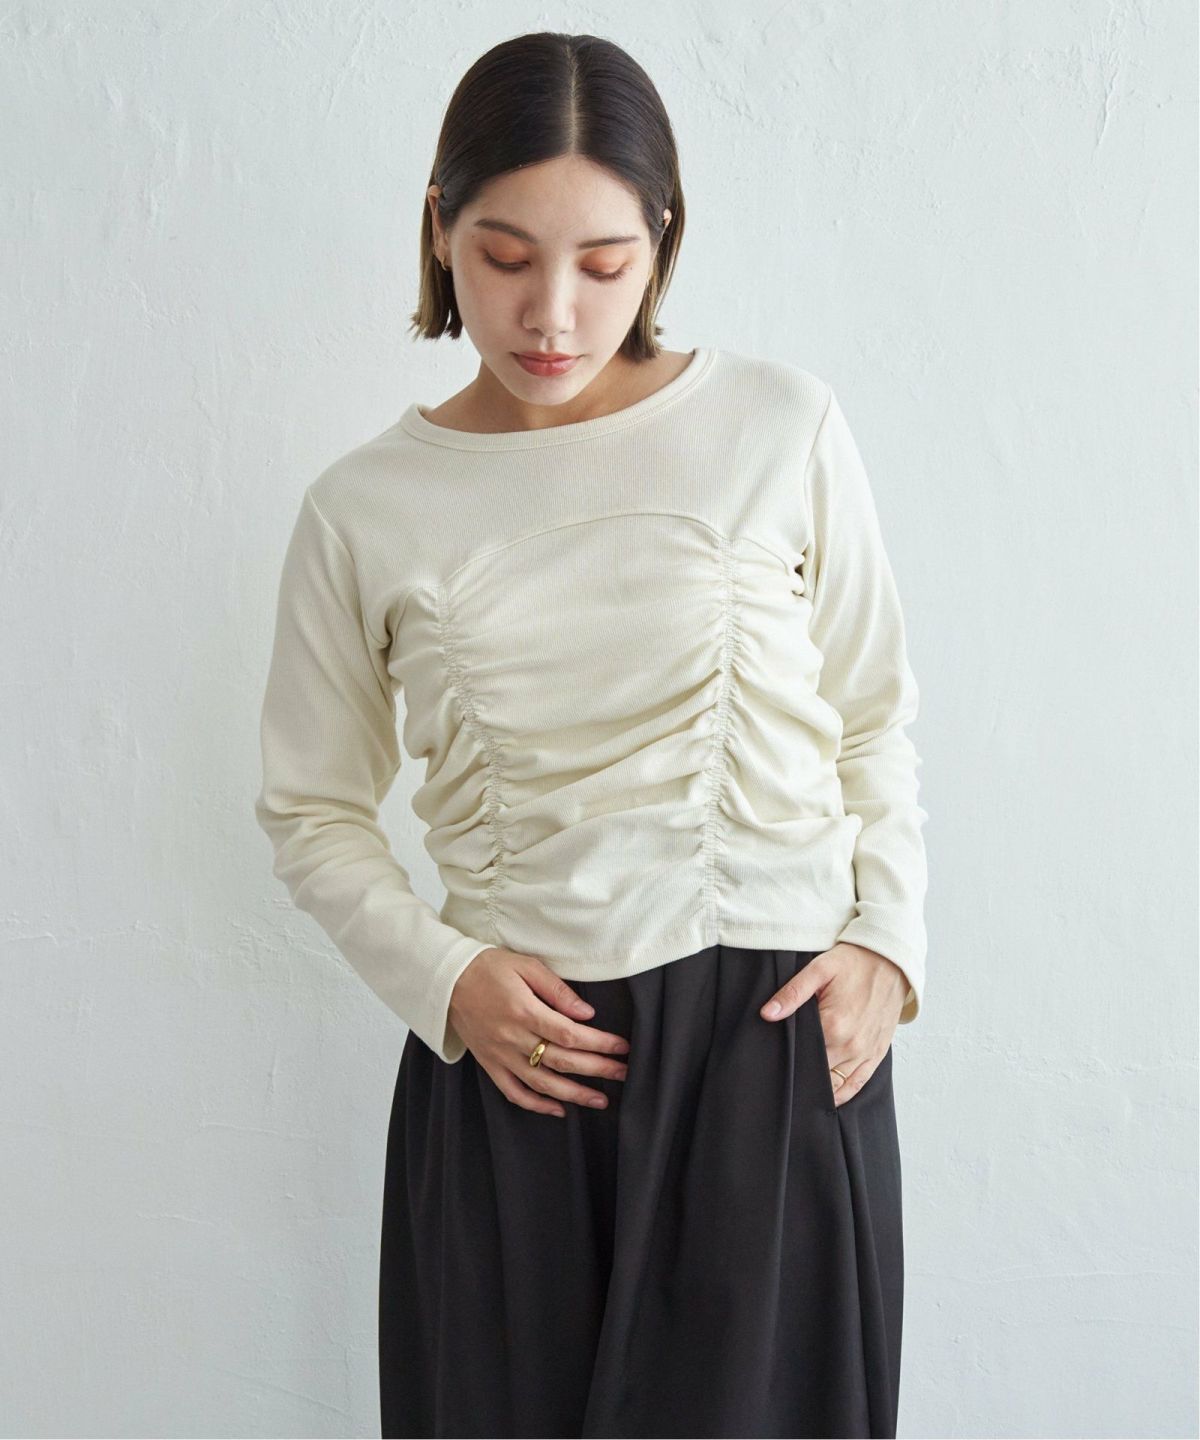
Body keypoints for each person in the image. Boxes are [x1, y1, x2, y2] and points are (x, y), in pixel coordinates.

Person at [253, 29, 929, 1440]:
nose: (552, 313)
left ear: (662, 242)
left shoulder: (779, 425)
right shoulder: (364, 507)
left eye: (605, 265)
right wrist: (445, 979)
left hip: (765, 1051)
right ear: (439, 230)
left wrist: (888, 943)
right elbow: (311, 809)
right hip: (522, 1061)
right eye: (503, 257)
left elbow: (874, 712)